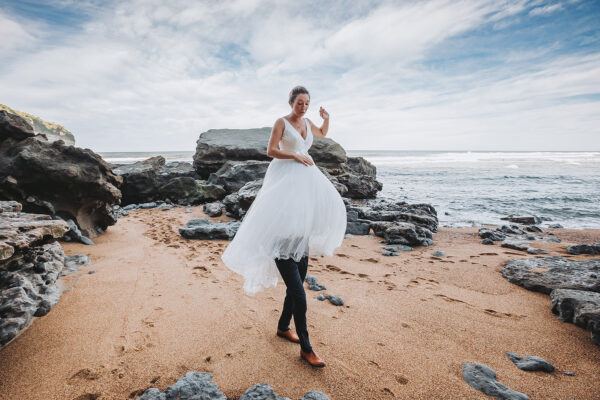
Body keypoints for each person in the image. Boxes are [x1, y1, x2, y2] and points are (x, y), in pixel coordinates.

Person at [220, 85, 347, 367]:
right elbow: (271, 151)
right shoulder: (282, 122)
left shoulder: (308, 123)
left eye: (307, 103)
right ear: (291, 102)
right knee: (299, 292)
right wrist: (296, 155)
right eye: (299, 102)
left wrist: (326, 118)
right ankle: (306, 347)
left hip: (304, 190)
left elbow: (323, 134)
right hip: (285, 181)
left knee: (298, 278)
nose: (303, 107)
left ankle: (281, 327)